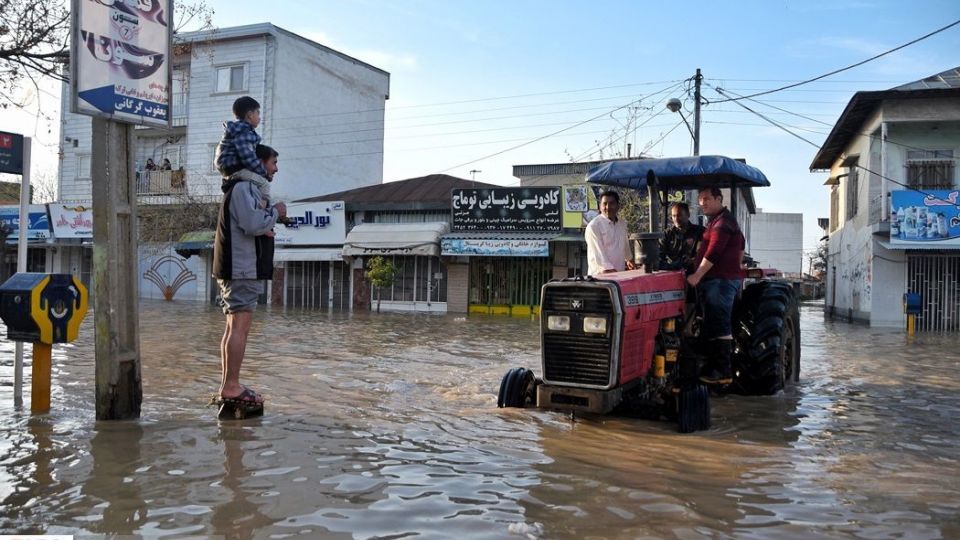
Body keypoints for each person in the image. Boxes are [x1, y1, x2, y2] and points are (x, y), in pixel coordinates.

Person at [212, 143, 286, 405]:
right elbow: (253, 223)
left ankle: (228, 384)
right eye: (273, 163)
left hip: (239, 266)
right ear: (258, 163)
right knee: (239, 328)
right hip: (241, 267)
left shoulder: (243, 188)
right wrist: (275, 212)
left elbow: (255, 221)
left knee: (234, 328)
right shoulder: (243, 188)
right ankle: (231, 386)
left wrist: (267, 216)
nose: (275, 169)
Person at [686, 187, 745, 385]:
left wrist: (697, 275)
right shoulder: (717, 222)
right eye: (701, 199)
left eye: (707, 199)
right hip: (718, 279)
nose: (703, 203)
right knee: (710, 321)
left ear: (719, 199)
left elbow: (714, 252)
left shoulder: (723, 222)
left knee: (719, 322)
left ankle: (722, 371)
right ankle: (705, 365)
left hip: (721, 281)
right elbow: (741, 244)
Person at [215, 95, 269, 182]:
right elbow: (248, 157)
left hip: (229, 167)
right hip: (233, 167)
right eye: (258, 113)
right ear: (250, 115)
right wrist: (264, 172)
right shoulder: (243, 132)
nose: (260, 117)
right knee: (263, 183)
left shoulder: (237, 130)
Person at [585, 190, 637, 276]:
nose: (608, 207)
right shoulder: (593, 226)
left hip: (619, 276)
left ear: (618, 206)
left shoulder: (622, 224)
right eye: (604, 204)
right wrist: (613, 273)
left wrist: (630, 260)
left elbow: (625, 246)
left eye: (612, 203)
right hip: (601, 279)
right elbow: (599, 255)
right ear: (600, 207)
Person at [660, 202, 705, 271]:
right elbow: (660, 254)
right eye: (673, 216)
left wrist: (693, 260)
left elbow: (704, 253)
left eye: (679, 215)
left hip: (695, 271)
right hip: (673, 271)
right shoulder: (667, 234)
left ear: (688, 215)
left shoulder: (700, 231)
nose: (676, 219)